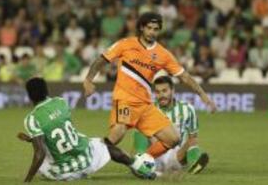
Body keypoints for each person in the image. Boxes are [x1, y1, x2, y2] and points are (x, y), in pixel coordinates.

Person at [83, 12, 216, 175]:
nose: (152, 32)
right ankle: (85, 161)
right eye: (149, 28)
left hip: (145, 105)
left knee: (173, 138)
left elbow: (184, 76)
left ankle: (142, 161)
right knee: (117, 135)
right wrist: (89, 80)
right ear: (141, 28)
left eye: (156, 29)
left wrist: (202, 95)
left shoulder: (163, 54)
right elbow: (102, 59)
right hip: (125, 100)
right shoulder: (125, 44)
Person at [18, 77, 153, 182]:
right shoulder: (60, 102)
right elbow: (58, 127)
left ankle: (73, 175)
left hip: (63, 172)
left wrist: (27, 180)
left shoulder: (32, 119)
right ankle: (139, 167)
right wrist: (32, 139)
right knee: (104, 145)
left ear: (29, 96)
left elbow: (40, 153)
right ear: (46, 90)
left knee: (43, 162)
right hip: (85, 158)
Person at [133, 76, 209, 175]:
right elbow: (139, 139)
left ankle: (195, 163)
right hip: (154, 157)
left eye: (164, 91)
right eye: (158, 92)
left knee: (192, 142)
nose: (161, 95)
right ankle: (141, 162)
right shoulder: (148, 110)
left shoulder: (188, 109)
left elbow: (193, 137)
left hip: (178, 157)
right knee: (141, 132)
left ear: (172, 90)